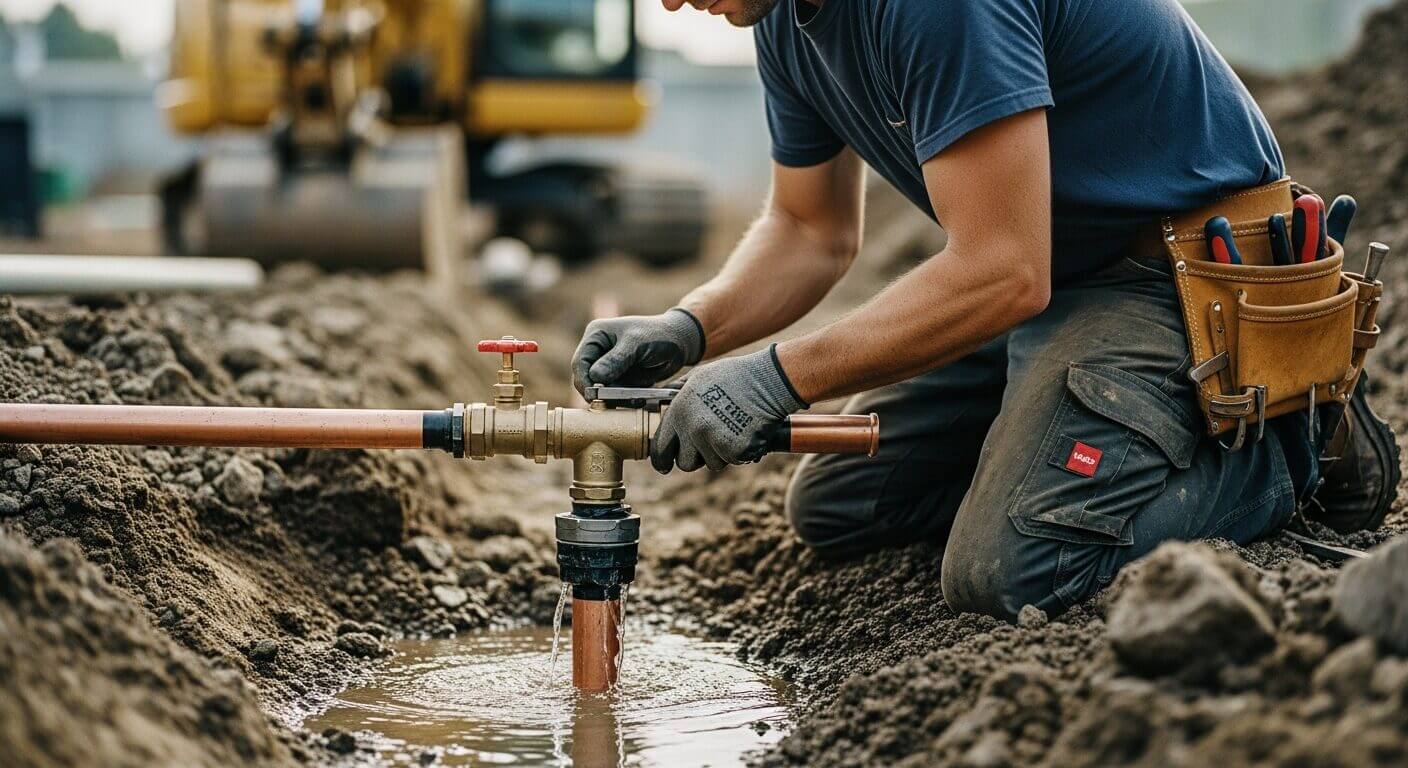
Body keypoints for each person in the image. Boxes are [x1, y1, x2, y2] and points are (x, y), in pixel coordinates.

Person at [571, 0, 1400, 620]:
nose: (674, 3)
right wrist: (691, 327)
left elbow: (1004, 272)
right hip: (1059, 278)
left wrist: (779, 376)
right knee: (842, 505)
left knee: (1012, 573)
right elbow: (809, 229)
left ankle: (1295, 442)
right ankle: (1070, 456)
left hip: (1184, 278)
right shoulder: (787, 24)